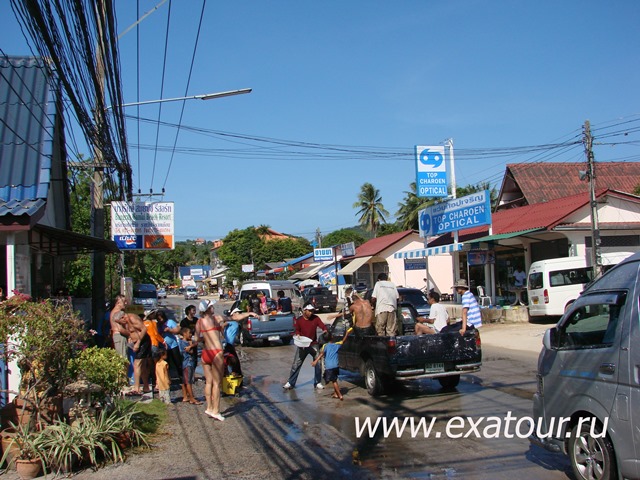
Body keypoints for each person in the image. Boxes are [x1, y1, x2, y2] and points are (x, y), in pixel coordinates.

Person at [283, 304, 327, 390]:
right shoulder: (299, 320)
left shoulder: (315, 318)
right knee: (296, 364)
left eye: (312, 311)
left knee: (318, 363)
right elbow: (297, 330)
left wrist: (325, 330)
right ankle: (290, 382)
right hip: (302, 344)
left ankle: (317, 382)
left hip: (313, 343)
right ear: (305, 310)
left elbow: (322, 325)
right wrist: (298, 335)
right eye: (309, 311)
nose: (311, 313)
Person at [196, 299, 227, 421]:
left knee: (208, 382)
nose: (214, 308)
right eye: (212, 306)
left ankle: (209, 407)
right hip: (216, 352)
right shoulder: (215, 319)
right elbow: (233, 317)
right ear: (208, 309)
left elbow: (197, 338)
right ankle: (216, 410)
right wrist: (248, 314)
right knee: (217, 383)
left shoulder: (199, 322)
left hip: (205, 353)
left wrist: (207, 337)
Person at [122, 312, 151, 395]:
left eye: (122, 321)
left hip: (143, 341)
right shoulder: (126, 322)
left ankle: (136, 388)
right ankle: (146, 386)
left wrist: (138, 342)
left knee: (136, 364)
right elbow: (131, 332)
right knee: (142, 366)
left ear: (124, 317)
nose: (122, 323)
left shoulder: (132, 318)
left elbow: (144, 329)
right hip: (136, 342)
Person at [224, 307, 258, 377]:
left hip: (230, 345)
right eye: (238, 313)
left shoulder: (236, 322)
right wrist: (222, 335)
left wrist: (251, 313)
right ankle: (231, 378)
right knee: (232, 362)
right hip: (227, 345)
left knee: (234, 363)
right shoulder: (230, 321)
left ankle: (234, 377)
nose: (240, 314)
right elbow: (222, 325)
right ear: (233, 314)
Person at [311, 331, 344, 401]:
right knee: (334, 379)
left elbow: (321, 354)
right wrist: (347, 333)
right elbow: (343, 340)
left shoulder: (325, 346)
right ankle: (335, 394)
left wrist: (315, 361)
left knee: (334, 381)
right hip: (336, 366)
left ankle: (339, 395)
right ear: (332, 337)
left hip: (329, 367)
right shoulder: (336, 345)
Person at [157, 309, 182, 383]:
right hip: (164, 346)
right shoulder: (158, 325)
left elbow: (177, 330)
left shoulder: (170, 322)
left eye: (161, 317)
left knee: (177, 361)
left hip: (173, 345)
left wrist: (169, 330)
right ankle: (168, 378)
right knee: (166, 363)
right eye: (159, 318)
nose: (161, 319)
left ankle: (181, 376)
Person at [178, 327, 201, 405]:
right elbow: (190, 352)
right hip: (188, 363)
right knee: (188, 381)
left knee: (185, 381)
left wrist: (191, 345)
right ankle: (192, 398)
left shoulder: (188, 342)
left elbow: (196, 343)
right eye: (189, 333)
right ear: (184, 334)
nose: (191, 335)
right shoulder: (183, 343)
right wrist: (190, 346)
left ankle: (185, 396)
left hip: (187, 363)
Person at [110, 294, 129, 360]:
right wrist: (129, 334)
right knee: (123, 359)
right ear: (118, 302)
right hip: (120, 336)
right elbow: (120, 329)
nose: (126, 303)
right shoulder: (119, 313)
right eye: (124, 302)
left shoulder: (112, 312)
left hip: (117, 337)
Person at [180, 305, 199, 369]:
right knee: (188, 357)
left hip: (195, 340)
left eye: (195, 310)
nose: (194, 312)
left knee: (195, 358)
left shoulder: (196, 320)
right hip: (187, 341)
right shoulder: (184, 321)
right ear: (189, 311)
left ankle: (193, 373)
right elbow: (181, 332)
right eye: (193, 310)